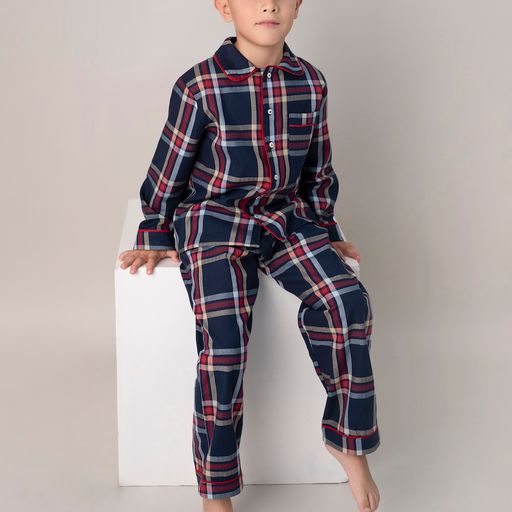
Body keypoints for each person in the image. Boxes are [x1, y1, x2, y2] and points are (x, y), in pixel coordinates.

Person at [118, 1, 381, 511]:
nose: (268, 5)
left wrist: (325, 228)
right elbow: (167, 169)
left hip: (284, 218)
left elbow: (318, 169)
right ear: (224, 7)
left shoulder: (311, 82)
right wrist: (154, 232)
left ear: (298, 6)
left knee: (347, 301)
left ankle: (347, 441)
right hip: (213, 221)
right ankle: (216, 490)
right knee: (225, 343)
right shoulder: (199, 85)